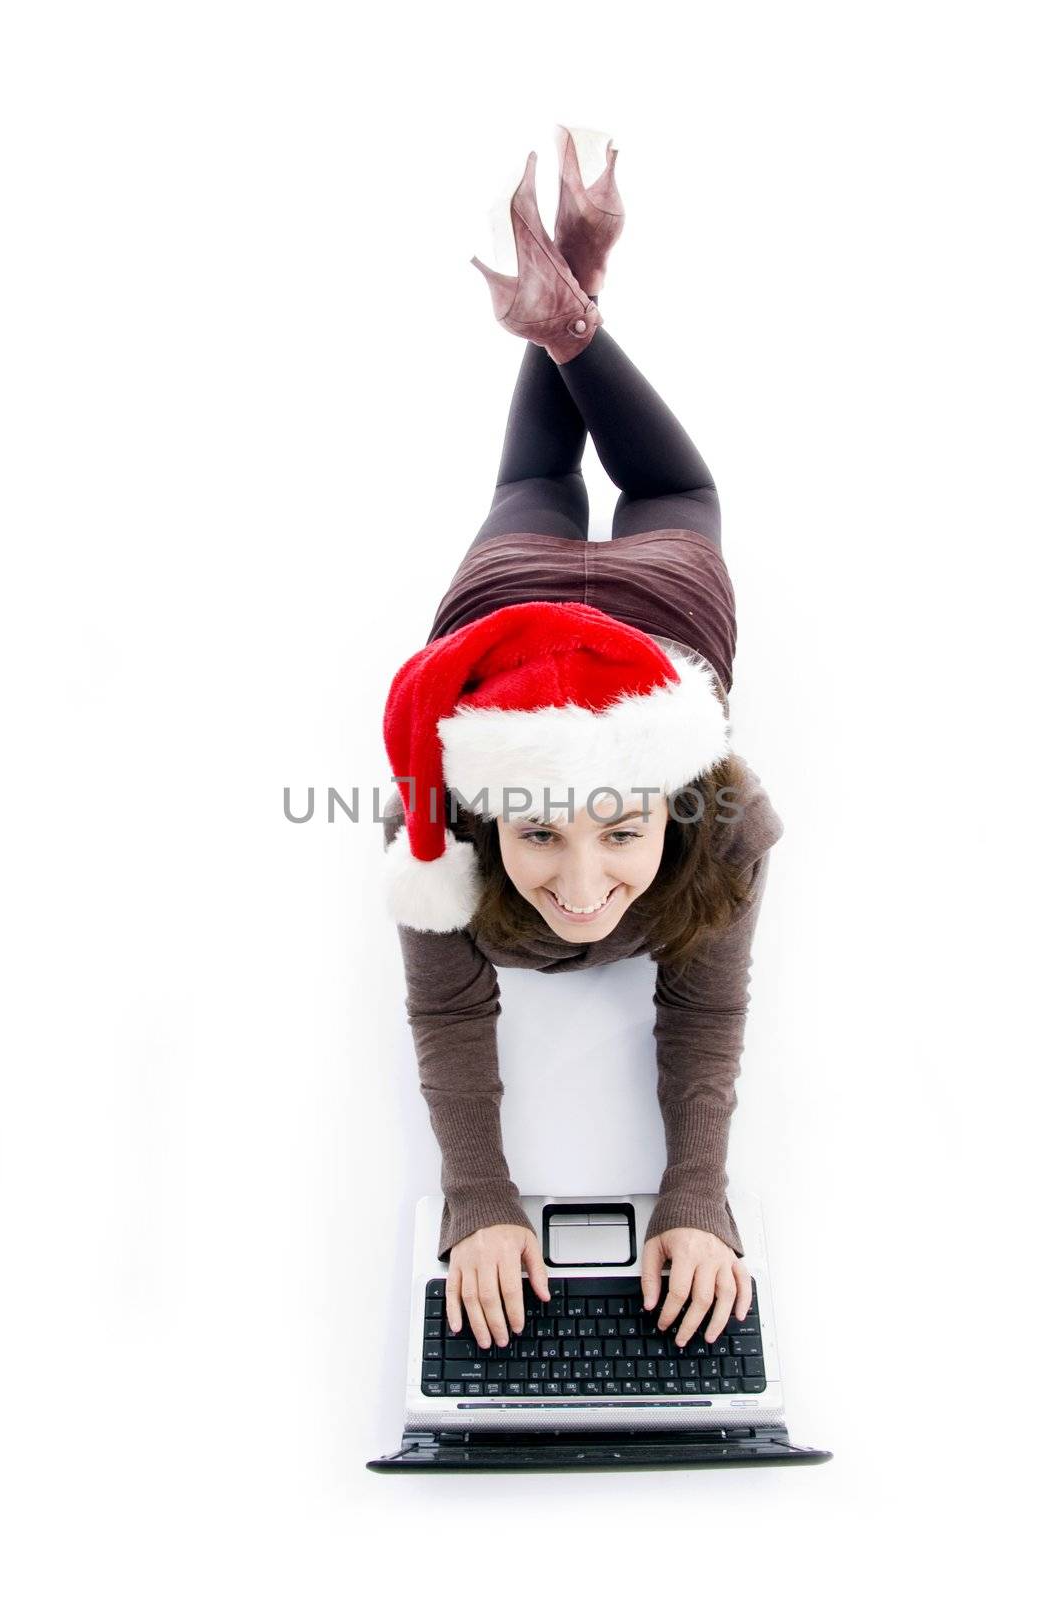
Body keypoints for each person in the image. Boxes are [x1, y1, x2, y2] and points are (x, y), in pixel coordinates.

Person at [380, 127, 785, 1367]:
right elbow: (447, 1018)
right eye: (541, 834)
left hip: (563, 601)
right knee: (633, 488)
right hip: (592, 606)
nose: (580, 882)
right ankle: (571, 313)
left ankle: (572, 311)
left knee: (570, 482)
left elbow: (701, 1012)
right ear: (488, 817)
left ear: (673, 801)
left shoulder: (727, 824)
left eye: (619, 828)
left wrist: (698, 1196)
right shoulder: (435, 841)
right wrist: (476, 1198)